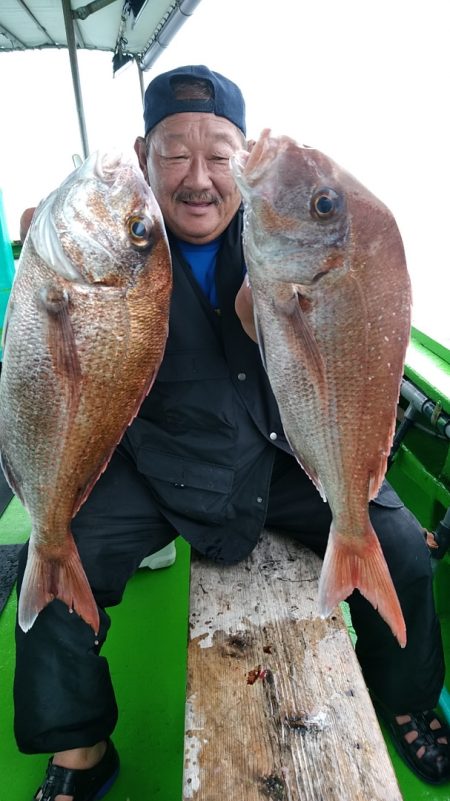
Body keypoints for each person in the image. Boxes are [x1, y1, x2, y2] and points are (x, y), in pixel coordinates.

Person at [14, 65, 449, 800]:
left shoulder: (276, 235)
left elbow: (348, 272)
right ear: (142, 154)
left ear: (242, 159)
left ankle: (405, 697)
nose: (198, 177)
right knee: (54, 564)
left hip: (280, 459)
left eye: (220, 154)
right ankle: (83, 747)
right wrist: (41, 247)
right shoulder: (116, 242)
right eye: (175, 152)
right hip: (157, 465)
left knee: (401, 547)